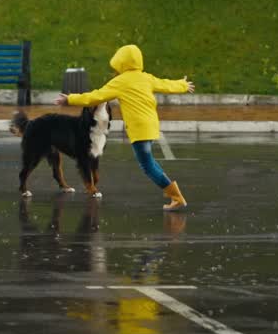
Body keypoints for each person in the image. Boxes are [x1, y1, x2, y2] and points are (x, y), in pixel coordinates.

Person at [56, 44, 194, 210]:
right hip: (151, 126)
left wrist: (70, 99)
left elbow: (95, 97)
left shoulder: (120, 82)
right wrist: (183, 85)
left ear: (121, 63)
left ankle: (176, 197)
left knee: (147, 166)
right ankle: (173, 194)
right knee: (149, 162)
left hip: (139, 129)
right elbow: (166, 84)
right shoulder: (146, 77)